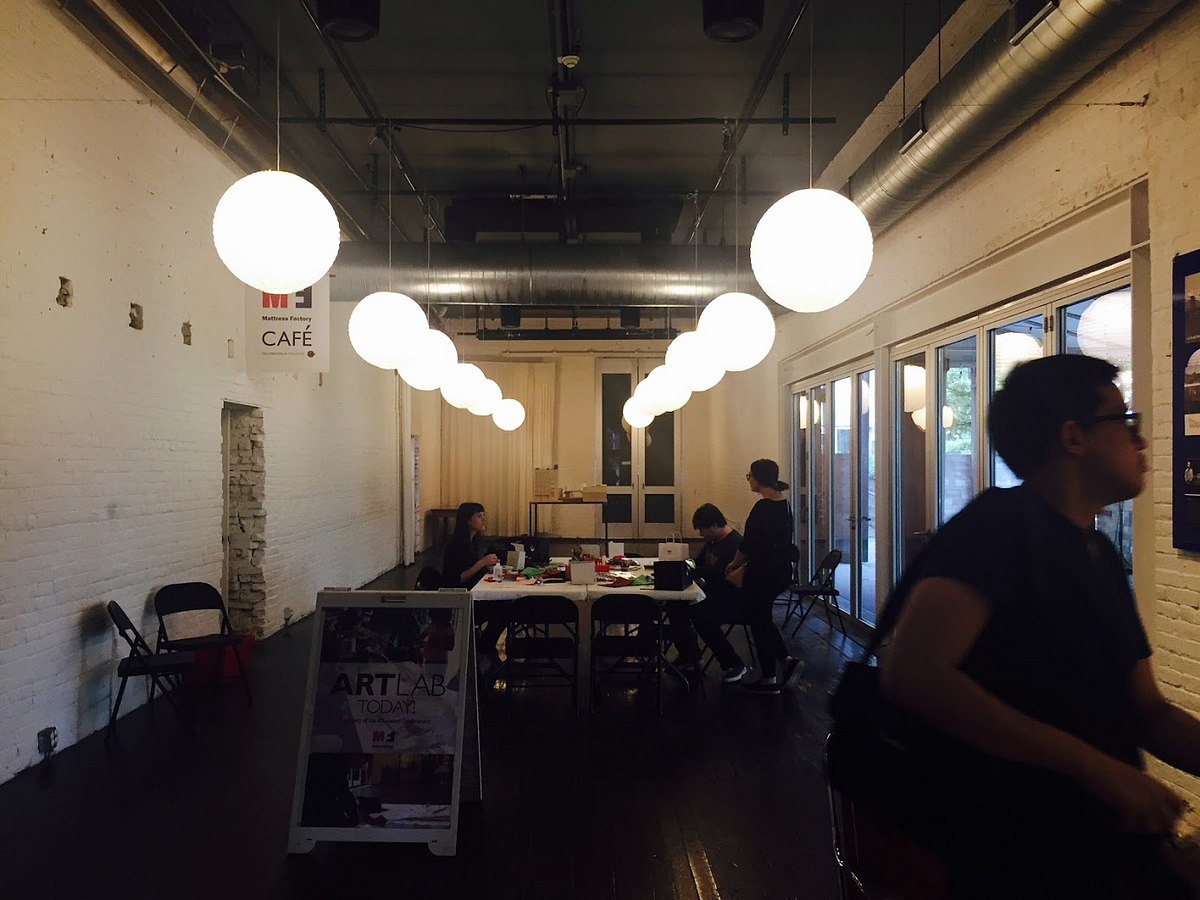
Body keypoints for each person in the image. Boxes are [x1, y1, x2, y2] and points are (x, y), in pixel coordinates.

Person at [878, 354, 1200, 898]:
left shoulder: (1098, 552)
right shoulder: (998, 529)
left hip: (1101, 848)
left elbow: (1146, 710)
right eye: (1125, 421)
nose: (1141, 440)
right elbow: (913, 673)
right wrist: (1093, 767)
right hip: (1018, 855)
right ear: (1073, 437)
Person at [726, 459, 802, 695]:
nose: (748, 479)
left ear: (759, 478)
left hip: (762, 572)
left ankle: (769, 678)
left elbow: (748, 543)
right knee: (763, 620)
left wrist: (734, 564)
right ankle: (784, 662)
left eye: (750, 475)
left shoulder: (763, 507)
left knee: (759, 623)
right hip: (780, 570)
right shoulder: (784, 504)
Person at [666, 504, 748, 684]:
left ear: (713, 526)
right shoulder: (713, 542)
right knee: (675, 605)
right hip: (713, 594)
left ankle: (733, 662)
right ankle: (690, 655)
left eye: (702, 530)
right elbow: (698, 562)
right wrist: (684, 565)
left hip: (732, 599)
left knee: (701, 615)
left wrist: (690, 569)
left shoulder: (734, 544)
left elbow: (719, 573)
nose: (701, 534)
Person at [442, 502, 505, 666]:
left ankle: (485, 645)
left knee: (505, 603)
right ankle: (486, 646)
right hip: (460, 602)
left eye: (483, 516)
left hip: (470, 594)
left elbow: (472, 570)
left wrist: (486, 566)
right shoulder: (456, 546)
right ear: (467, 521)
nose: (483, 519)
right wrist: (481, 563)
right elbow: (457, 579)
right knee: (503, 608)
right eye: (479, 516)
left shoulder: (472, 542)